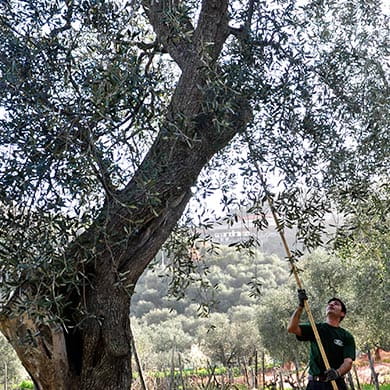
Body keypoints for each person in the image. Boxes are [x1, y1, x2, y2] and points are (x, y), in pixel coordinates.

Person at [287, 290, 356, 390]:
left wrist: (337, 373)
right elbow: (291, 328)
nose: (331, 305)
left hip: (336, 383)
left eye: (336, 304)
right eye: (329, 304)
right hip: (315, 384)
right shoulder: (316, 329)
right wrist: (300, 306)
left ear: (342, 314)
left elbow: (348, 362)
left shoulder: (346, 336)